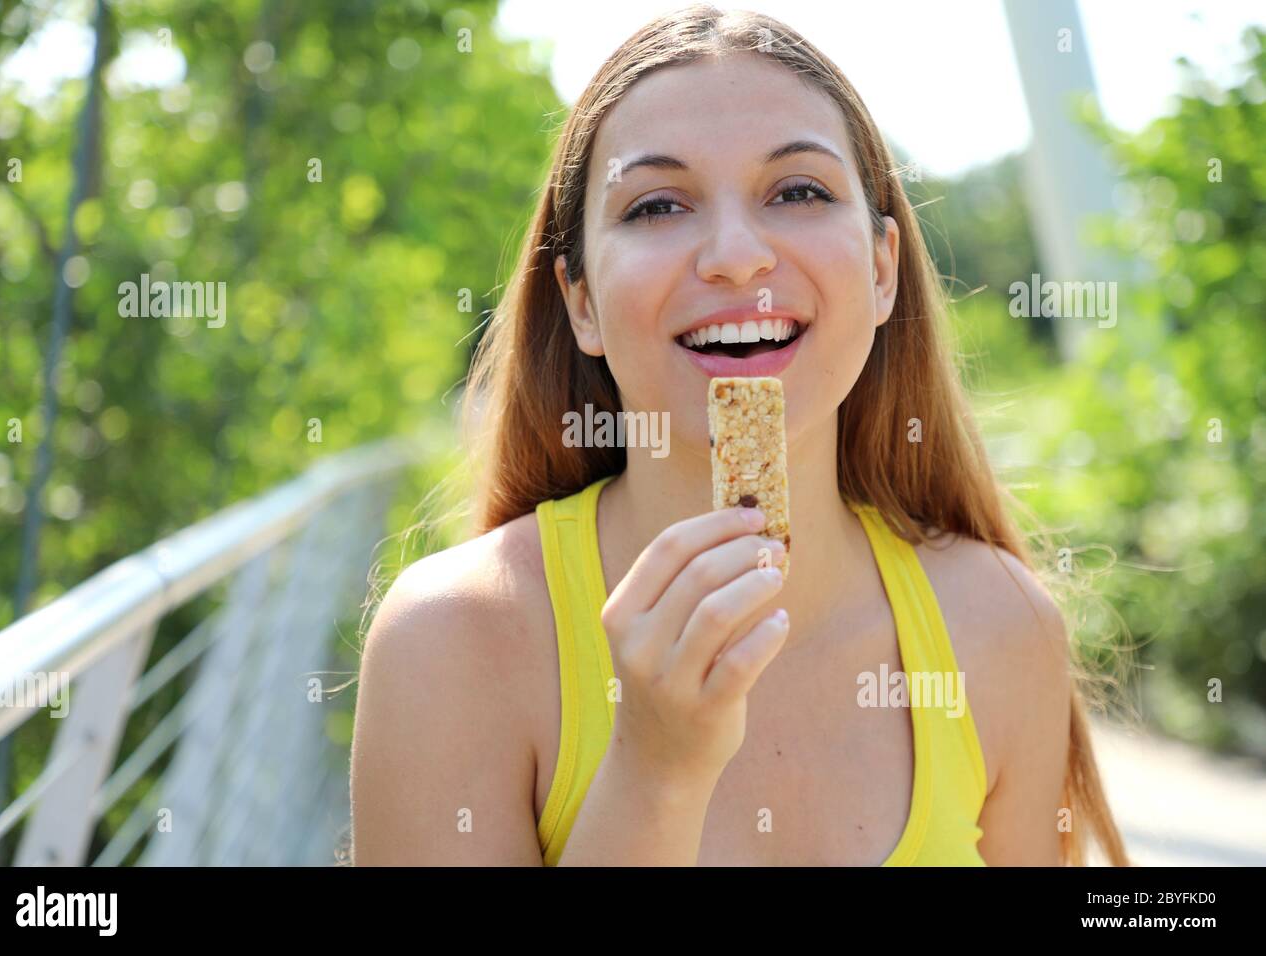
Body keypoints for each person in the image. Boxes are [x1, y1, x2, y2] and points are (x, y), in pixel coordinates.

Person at [350, 4, 1129, 867]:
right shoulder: (450, 645)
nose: (734, 254)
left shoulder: (1002, 624)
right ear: (581, 301)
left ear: (880, 270)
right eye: (655, 206)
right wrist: (655, 771)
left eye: (797, 191)